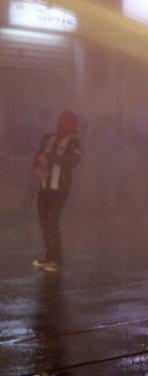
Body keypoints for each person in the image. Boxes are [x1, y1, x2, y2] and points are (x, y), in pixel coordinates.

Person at [32, 111, 83, 273]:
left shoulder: (75, 142)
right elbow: (38, 156)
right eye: (61, 121)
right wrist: (37, 167)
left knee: (52, 220)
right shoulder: (48, 138)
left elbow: (71, 162)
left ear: (73, 125)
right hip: (44, 185)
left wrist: (49, 158)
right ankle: (50, 256)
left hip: (60, 187)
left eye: (67, 122)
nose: (62, 125)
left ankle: (56, 259)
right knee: (44, 221)